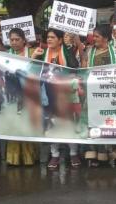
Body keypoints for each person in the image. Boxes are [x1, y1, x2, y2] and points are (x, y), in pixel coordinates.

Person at [32, 28, 80, 169]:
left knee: (68, 123)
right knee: (51, 123)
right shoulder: (42, 53)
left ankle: (73, 153)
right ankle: (55, 155)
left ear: (60, 40)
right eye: (48, 37)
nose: (49, 40)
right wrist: (34, 56)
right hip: (48, 94)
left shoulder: (67, 53)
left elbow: (75, 68)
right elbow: (31, 70)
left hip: (66, 95)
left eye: (53, 37)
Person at [82, 25, 116, 167]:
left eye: (97, 36)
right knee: (94, 122)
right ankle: (95, 154)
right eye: (93, 36)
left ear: (106, 38)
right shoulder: (89, 52)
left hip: (111, 94)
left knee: (112, 123)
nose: (93, 39)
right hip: (93, 94)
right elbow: (83, 69)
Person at [4, 28, 39, 167]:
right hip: (12, 94)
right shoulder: (5, 55)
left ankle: (29, 157)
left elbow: (37, 71)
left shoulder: (33, 53)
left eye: (17, 39)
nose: (14, 42)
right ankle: (13, 158)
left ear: (24, 40)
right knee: (14, 124)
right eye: (11, 40)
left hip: (29, 94)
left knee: (27, 123)